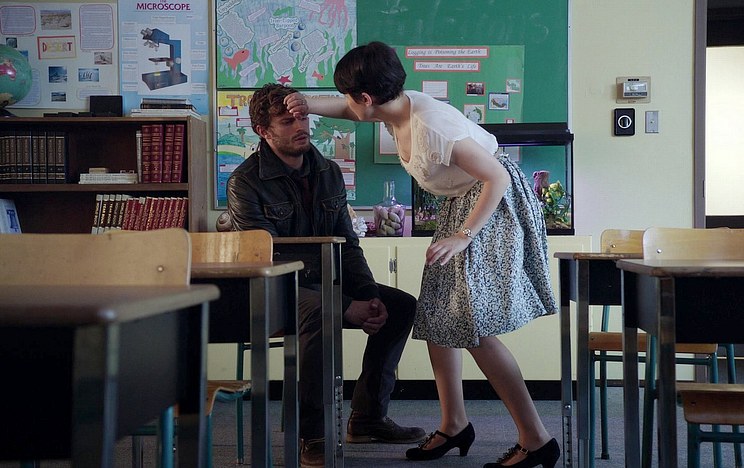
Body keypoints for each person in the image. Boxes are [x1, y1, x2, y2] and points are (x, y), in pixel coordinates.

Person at [285, 42, 560, 468]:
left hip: (489, 207)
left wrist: (464, 236)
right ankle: (454, 424)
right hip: (462, 204)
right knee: (436, 316)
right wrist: (305, 102)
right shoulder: (395, 108)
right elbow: (349, 109)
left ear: (367, 98)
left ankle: (536, 438)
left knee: (472, 324)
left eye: (348, 95)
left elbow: (498, 177)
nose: (345, 103)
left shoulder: (432, 125)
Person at [226, 83, 426, 468]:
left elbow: (347, 244)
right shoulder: (244, 182)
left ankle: (367, 418)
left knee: (399, 306)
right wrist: (345, 305)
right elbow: (268, 257)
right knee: (321, 311)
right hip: (274, 287)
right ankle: (313, 436)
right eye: (288, 122)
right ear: (263, 131)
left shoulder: (328, 171)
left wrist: (367, 295)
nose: (301, 126)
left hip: (327, 282)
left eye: (303, 117)